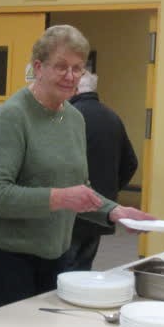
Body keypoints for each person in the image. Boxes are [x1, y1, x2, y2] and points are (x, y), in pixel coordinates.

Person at [0, 25, 151, 311]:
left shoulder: (74, 118)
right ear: (38, 67)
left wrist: (113, 211)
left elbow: (78, 186)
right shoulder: (14, 116)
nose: (70, 76)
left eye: (78, 69)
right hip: (4, 256)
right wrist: (60, 198)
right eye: (61, 67)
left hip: (54, 253)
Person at [60, 70, 138, 274]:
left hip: (70, 211)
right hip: (102, 207)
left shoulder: (68, 117)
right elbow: (131, 162)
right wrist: (110, 188)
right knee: (84, 267)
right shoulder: (113, 117)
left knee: (62, 272)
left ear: (76, 89)